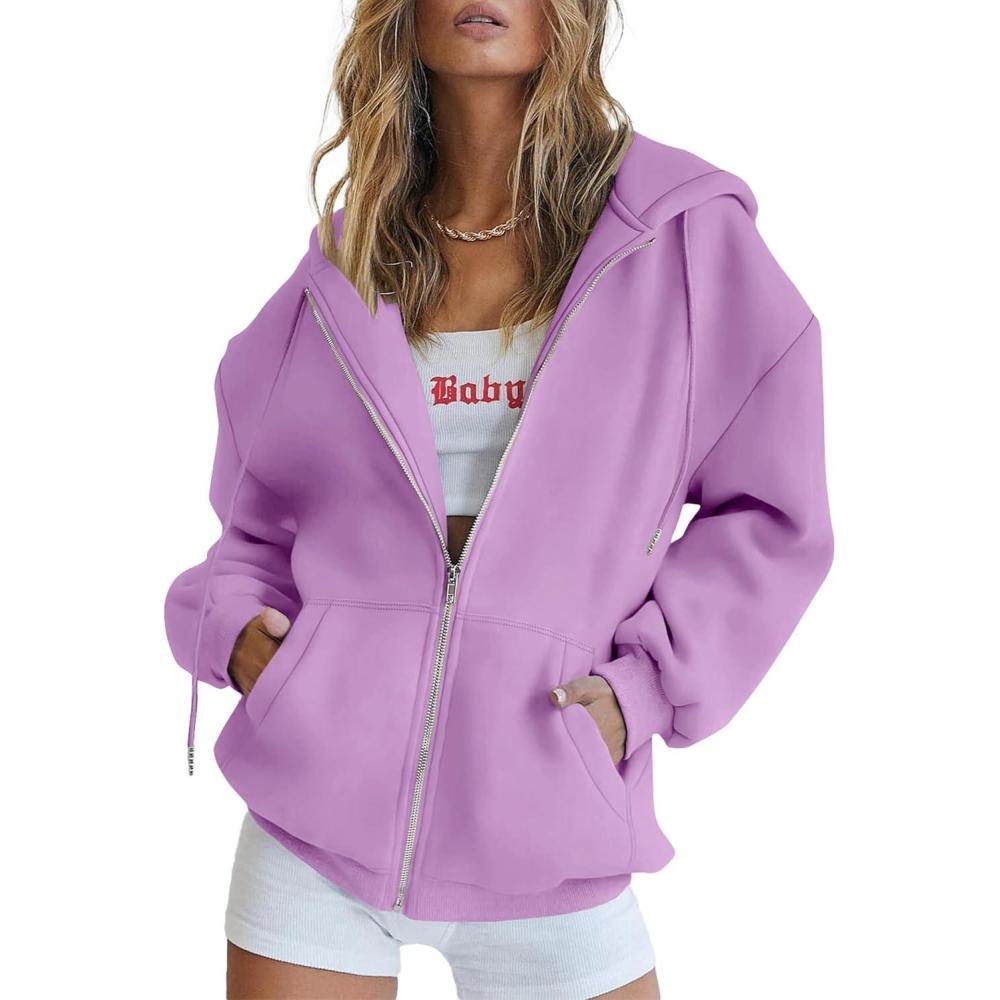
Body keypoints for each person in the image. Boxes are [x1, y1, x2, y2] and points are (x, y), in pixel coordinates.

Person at [163, 1, 835, 997]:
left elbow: (771, 512)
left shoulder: (678, 238)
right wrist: (240, 637)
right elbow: (255, 519)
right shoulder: (349, 261)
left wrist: (641, 692)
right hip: (315, 829)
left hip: (550, 820)